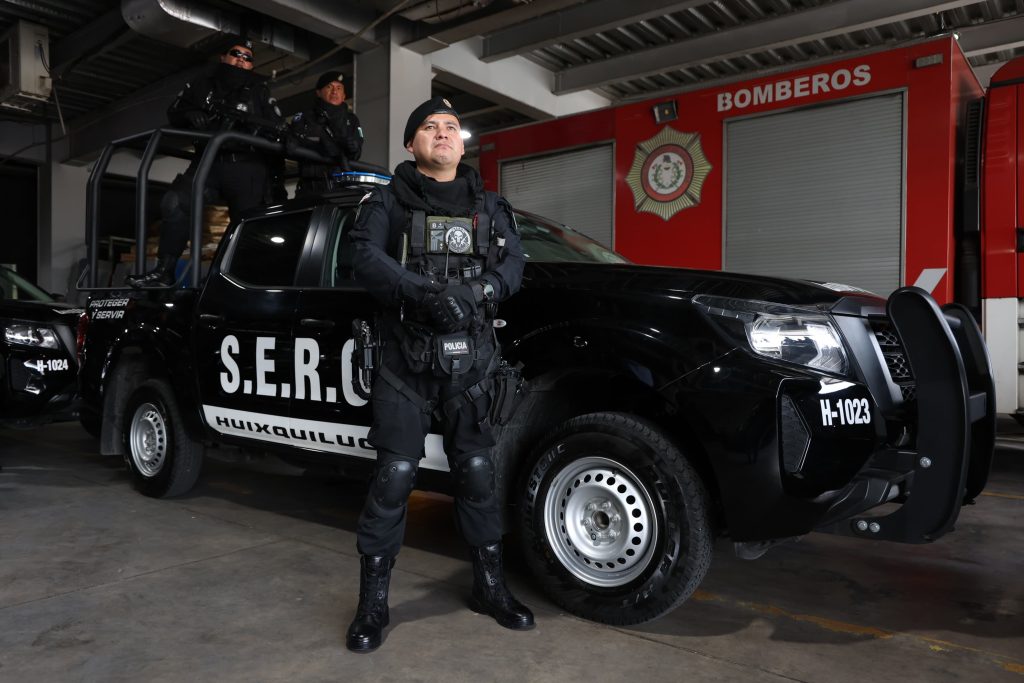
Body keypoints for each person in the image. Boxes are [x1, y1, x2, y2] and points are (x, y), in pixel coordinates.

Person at [345, 97, 531, 652]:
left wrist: (477, 291)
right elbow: (364, 258)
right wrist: (424, 293)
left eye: (452, 126)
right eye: (429, 126)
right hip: (404, 362)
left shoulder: (492, 206)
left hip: (472, 364)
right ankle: (373, 605)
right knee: (394, 475)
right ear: (412, 143)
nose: (443, 133)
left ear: (463, 143)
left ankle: (490, 588)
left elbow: (514, 265)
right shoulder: (385, 201)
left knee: (477, 472)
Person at [127, 40, 284, 287]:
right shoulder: (202, 84)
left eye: (248, 57)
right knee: (175, 203)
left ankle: (239, 279)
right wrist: (189, 114)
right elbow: (175, 112)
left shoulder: (259, 91)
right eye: (236, 53)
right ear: (223, 57)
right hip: (207, 161)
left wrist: (251, 126)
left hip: (245, 166)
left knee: (249, 225)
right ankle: (165, 271)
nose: (241, 59)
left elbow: (277, 127)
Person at [289, 71, 364, 195]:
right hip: (311, 188)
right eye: (329, 87)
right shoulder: (305, 117)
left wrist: (354, 148)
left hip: (342, 188)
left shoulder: (352, 120)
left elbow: (357, 151)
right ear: (318, 92)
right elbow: (293, 143)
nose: (334, 91)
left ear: (344, 95)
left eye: (339, 88)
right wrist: (321, 145)